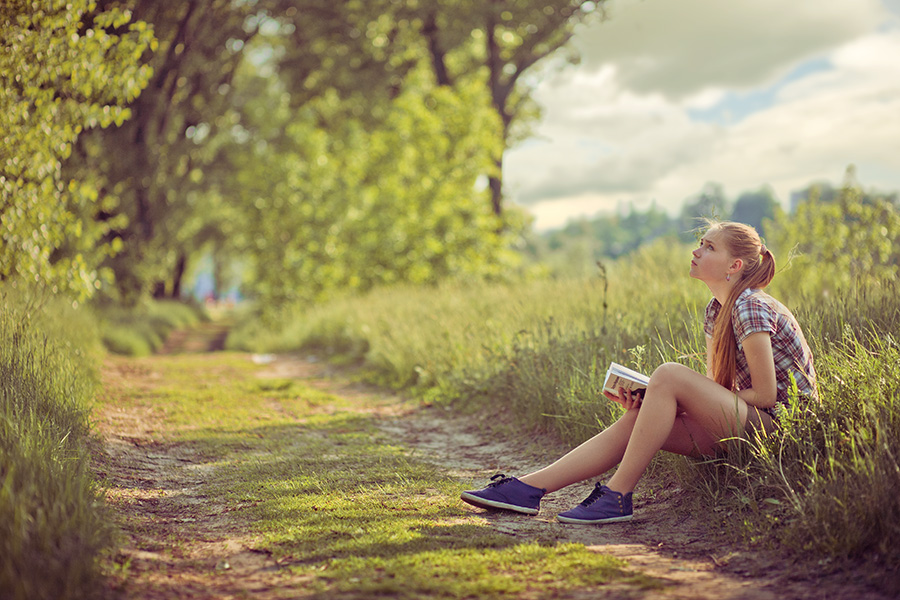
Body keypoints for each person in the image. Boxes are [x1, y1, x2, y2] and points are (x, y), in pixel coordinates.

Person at [460, 220, 817, 524]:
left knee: (669, 374)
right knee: (638, 418)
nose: (696, 251)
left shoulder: (750, 306)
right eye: (700, 243)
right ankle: (528, 489)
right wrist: (656, 405)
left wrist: (677, 400)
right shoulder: (716, 310)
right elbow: (718, 389)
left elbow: (767, 395)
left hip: (781, 430)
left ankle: (617, 494)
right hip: (745, 423)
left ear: (734, 265)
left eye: (709, 247)